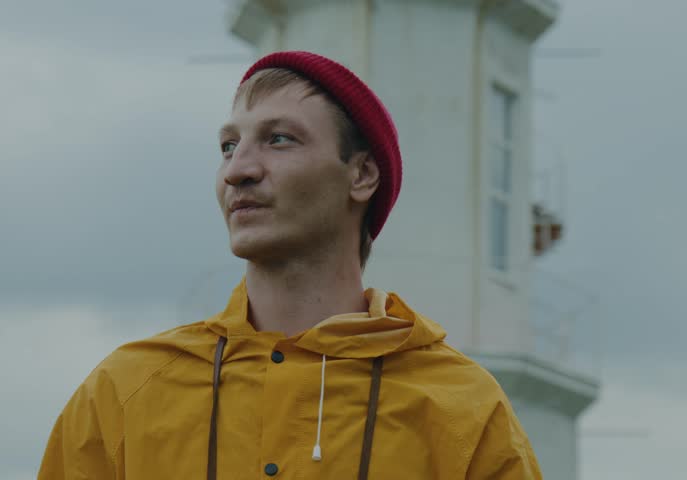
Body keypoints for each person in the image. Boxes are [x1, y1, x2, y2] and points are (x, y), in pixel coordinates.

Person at [38, 51, 541, 479]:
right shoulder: (123, 391)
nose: (237, 170)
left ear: (362, 174)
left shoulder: (464, 411)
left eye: (279, 139)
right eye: (229, 146)